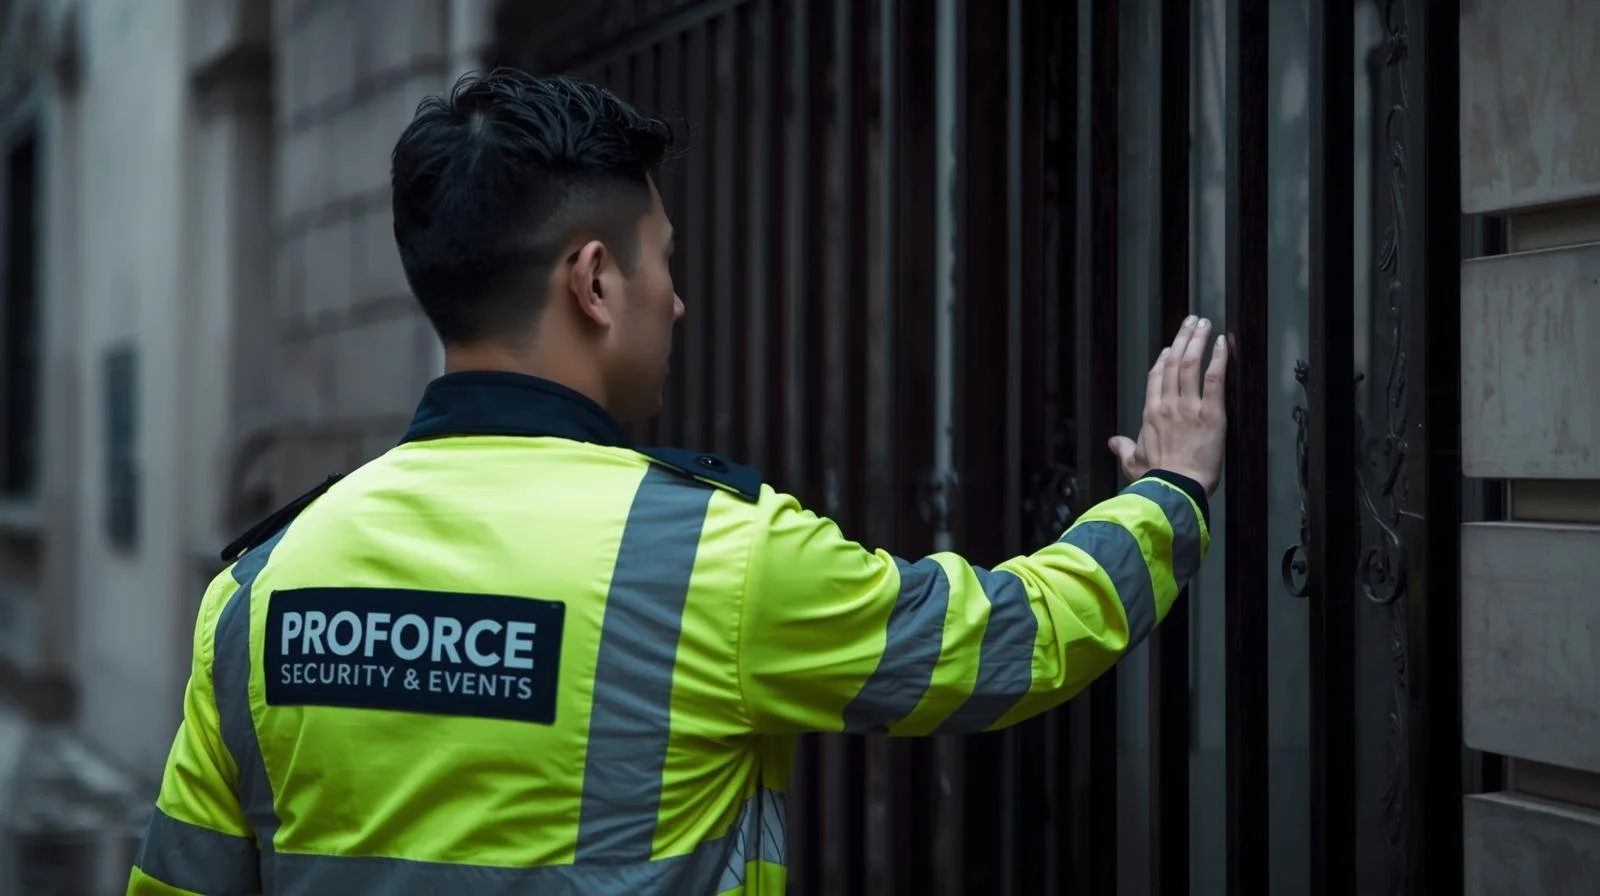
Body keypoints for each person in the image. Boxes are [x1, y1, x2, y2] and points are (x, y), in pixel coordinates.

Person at [127, 69, 1228, 896]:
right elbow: (1003, 645)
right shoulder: (712, 555)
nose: (679, 300)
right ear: (595, 281)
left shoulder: (259, 590)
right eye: (664, 258)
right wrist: (1168, 493)